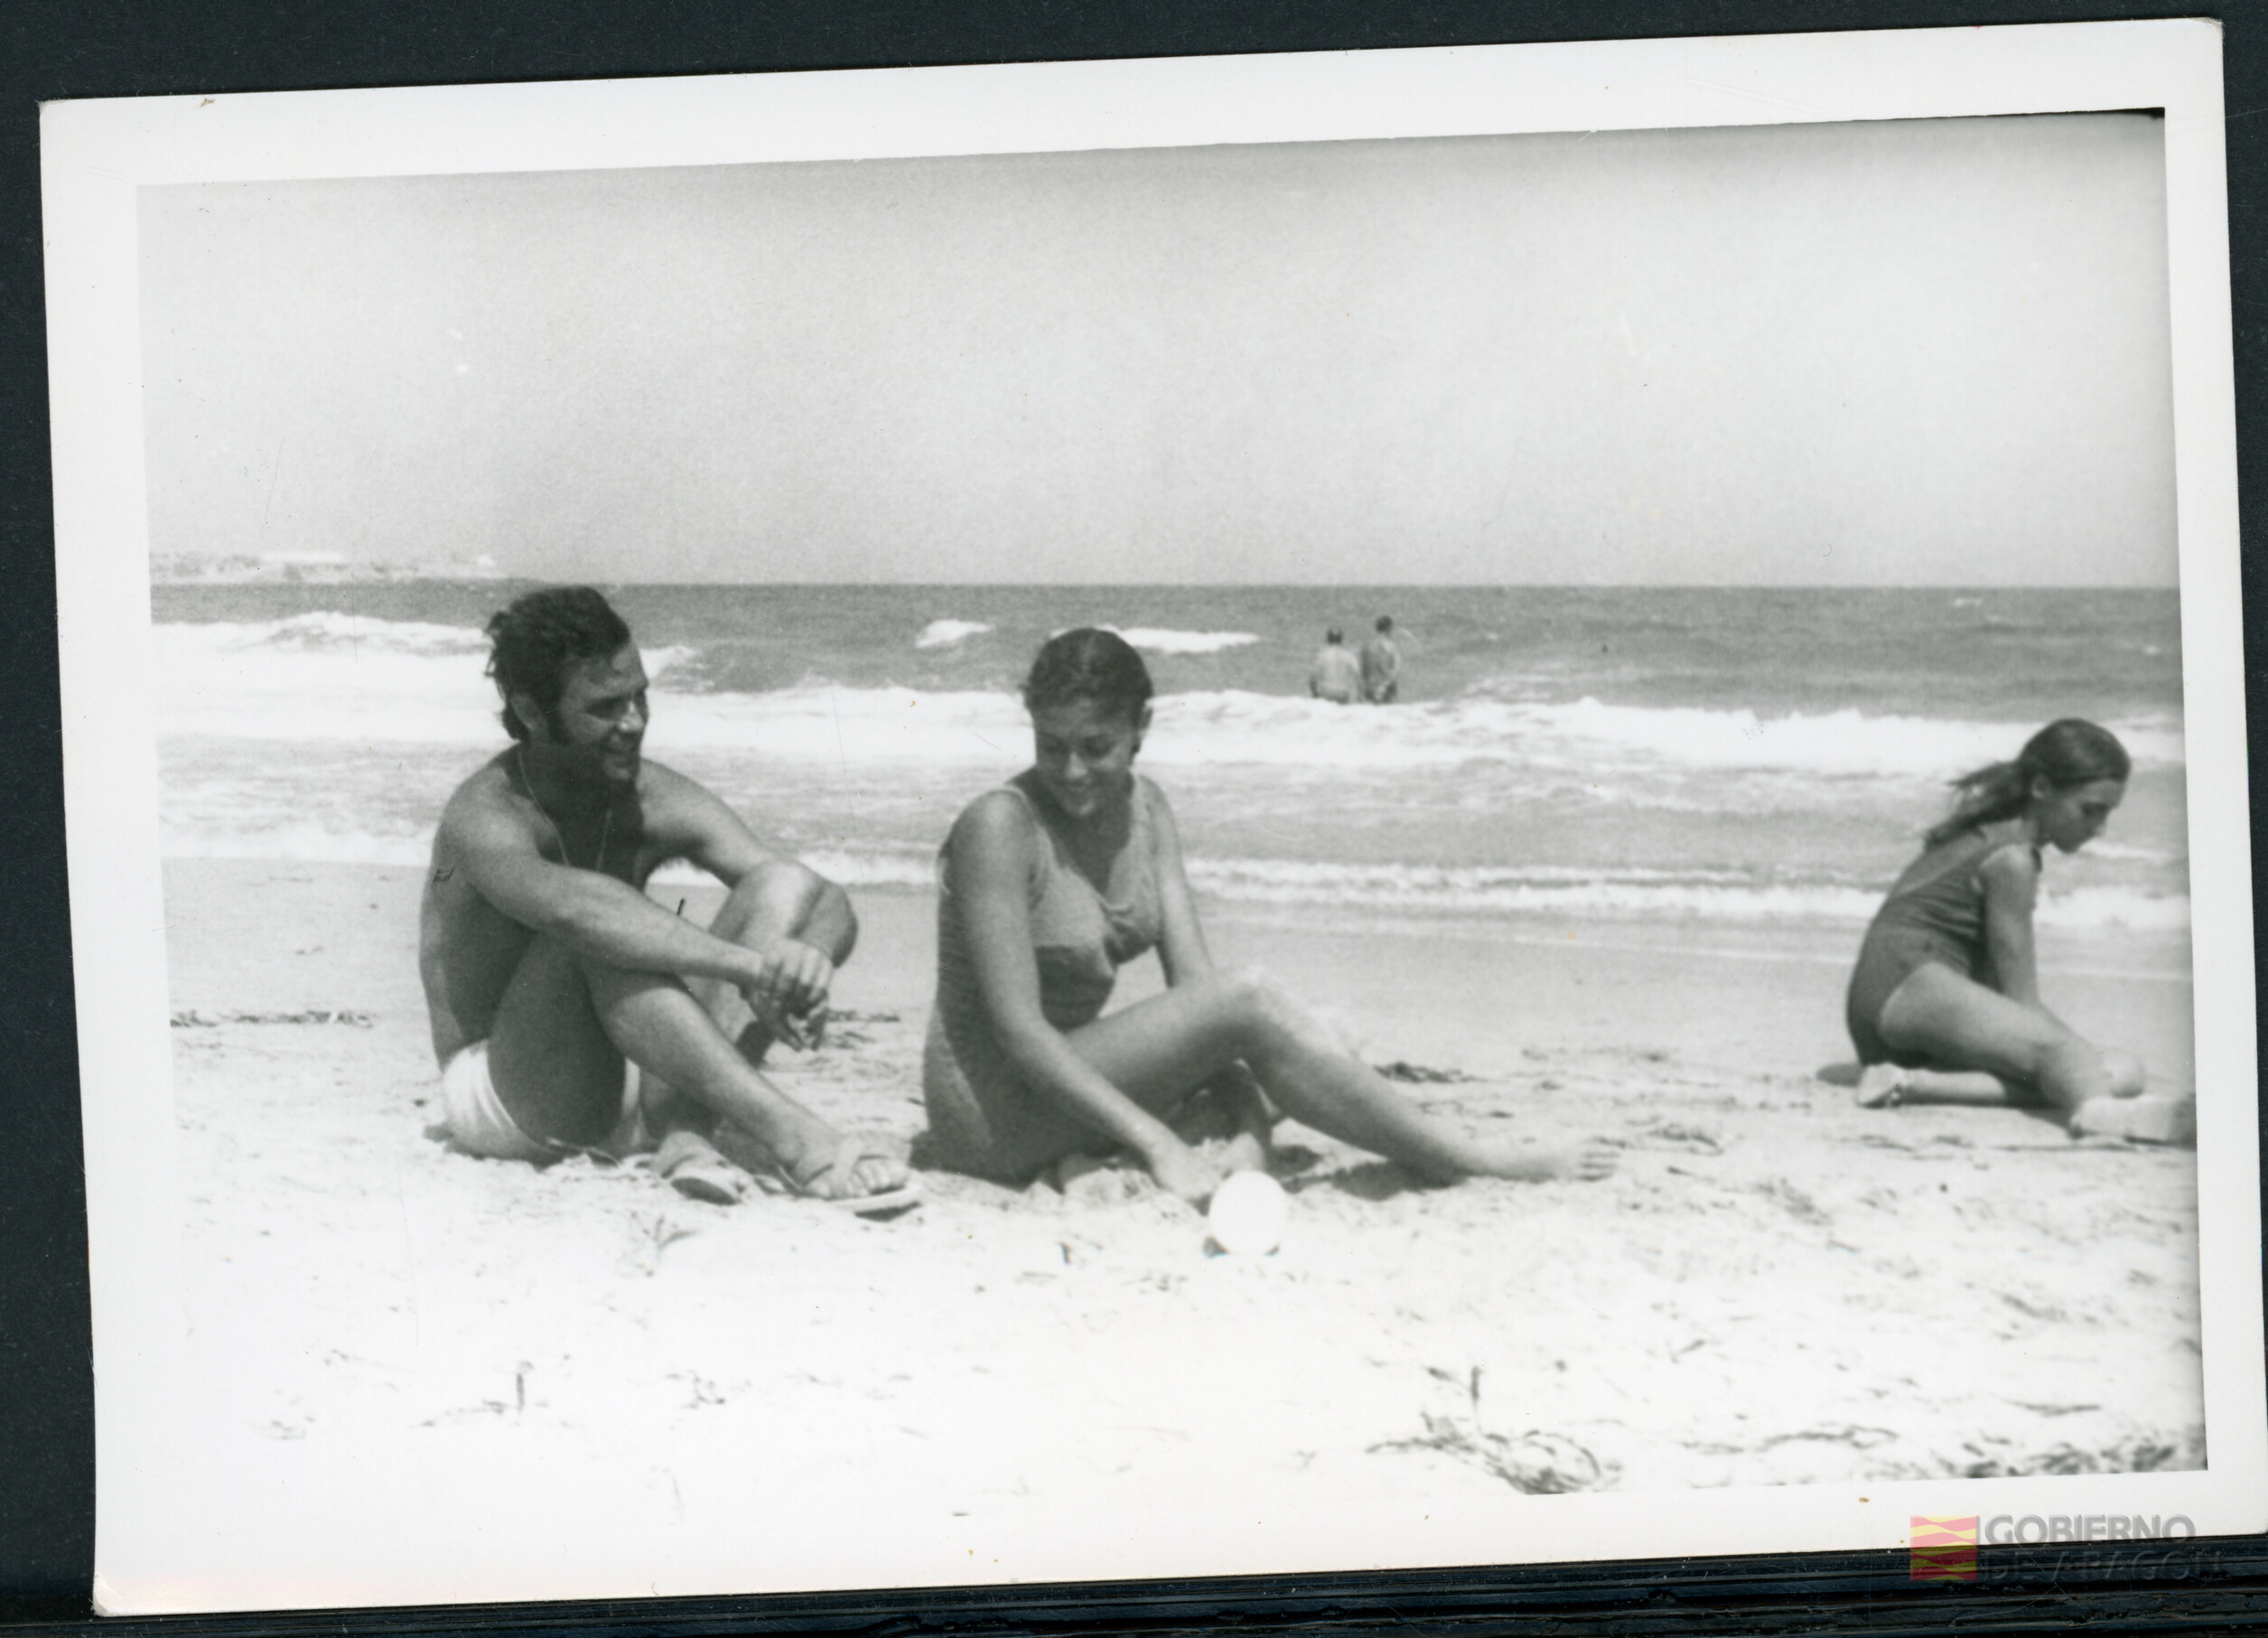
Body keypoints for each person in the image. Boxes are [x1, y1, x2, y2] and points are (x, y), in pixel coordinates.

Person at [919, 627, 1617, 1203]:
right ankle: (1475, 1156)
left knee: (1316, 1032)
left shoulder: (1147, 810)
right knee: (1257, 999)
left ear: (1140, 730)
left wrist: (1253, 1132)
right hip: (993, 1114)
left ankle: (1228, 1133)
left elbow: (1199, 1000)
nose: (1070, 771)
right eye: (1051, 746)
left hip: (1076, 1088)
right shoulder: (999, 827)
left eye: (1094, 746)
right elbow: (1019, 1034)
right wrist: (1159, 1145)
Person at [418, 585, 916, 1213]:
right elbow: (579, 912)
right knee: (595, 927)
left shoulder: (648, 795)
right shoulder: (485, 814)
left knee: (784, 883)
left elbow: (813, 892)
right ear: (533, 711)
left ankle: (684, 1132)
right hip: (506, 1091)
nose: (633, 722)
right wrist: (751, 968)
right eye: (604, 707)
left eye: (640, 696)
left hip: (630, 1063)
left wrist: (808, 954)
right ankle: (801, 1139)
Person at [1843, 718, 2151, 1134]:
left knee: (2114, 1068)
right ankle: (2101, 1117)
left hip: (1885, 1002)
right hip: (1911, 982)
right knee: (2095, 1067)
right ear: (2041, 789)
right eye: (2090, 810)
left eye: (2107, 814)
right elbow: (2023, 1003)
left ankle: (1910, 1083)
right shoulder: (2012, 860)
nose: (2100, 829)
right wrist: (2077, 1060)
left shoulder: (1985, 832)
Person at [1308, 626, 1362, 704]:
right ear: (1341, 639)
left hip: (1326, 693)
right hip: (1343, 694)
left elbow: (1313, 678)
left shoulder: (1322, 656)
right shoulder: (1349, 655)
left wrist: (1315, 695)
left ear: (1328, 639)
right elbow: (1358, 675)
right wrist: (1359, 696)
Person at [1358, 615, 1401, 704]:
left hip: (1370, 689)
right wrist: (1383, 687)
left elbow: (1363, 672)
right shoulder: (1392, 647)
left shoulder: (1366, 646)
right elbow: (1395, 671)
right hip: (1385, 690)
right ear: (1389, 629)